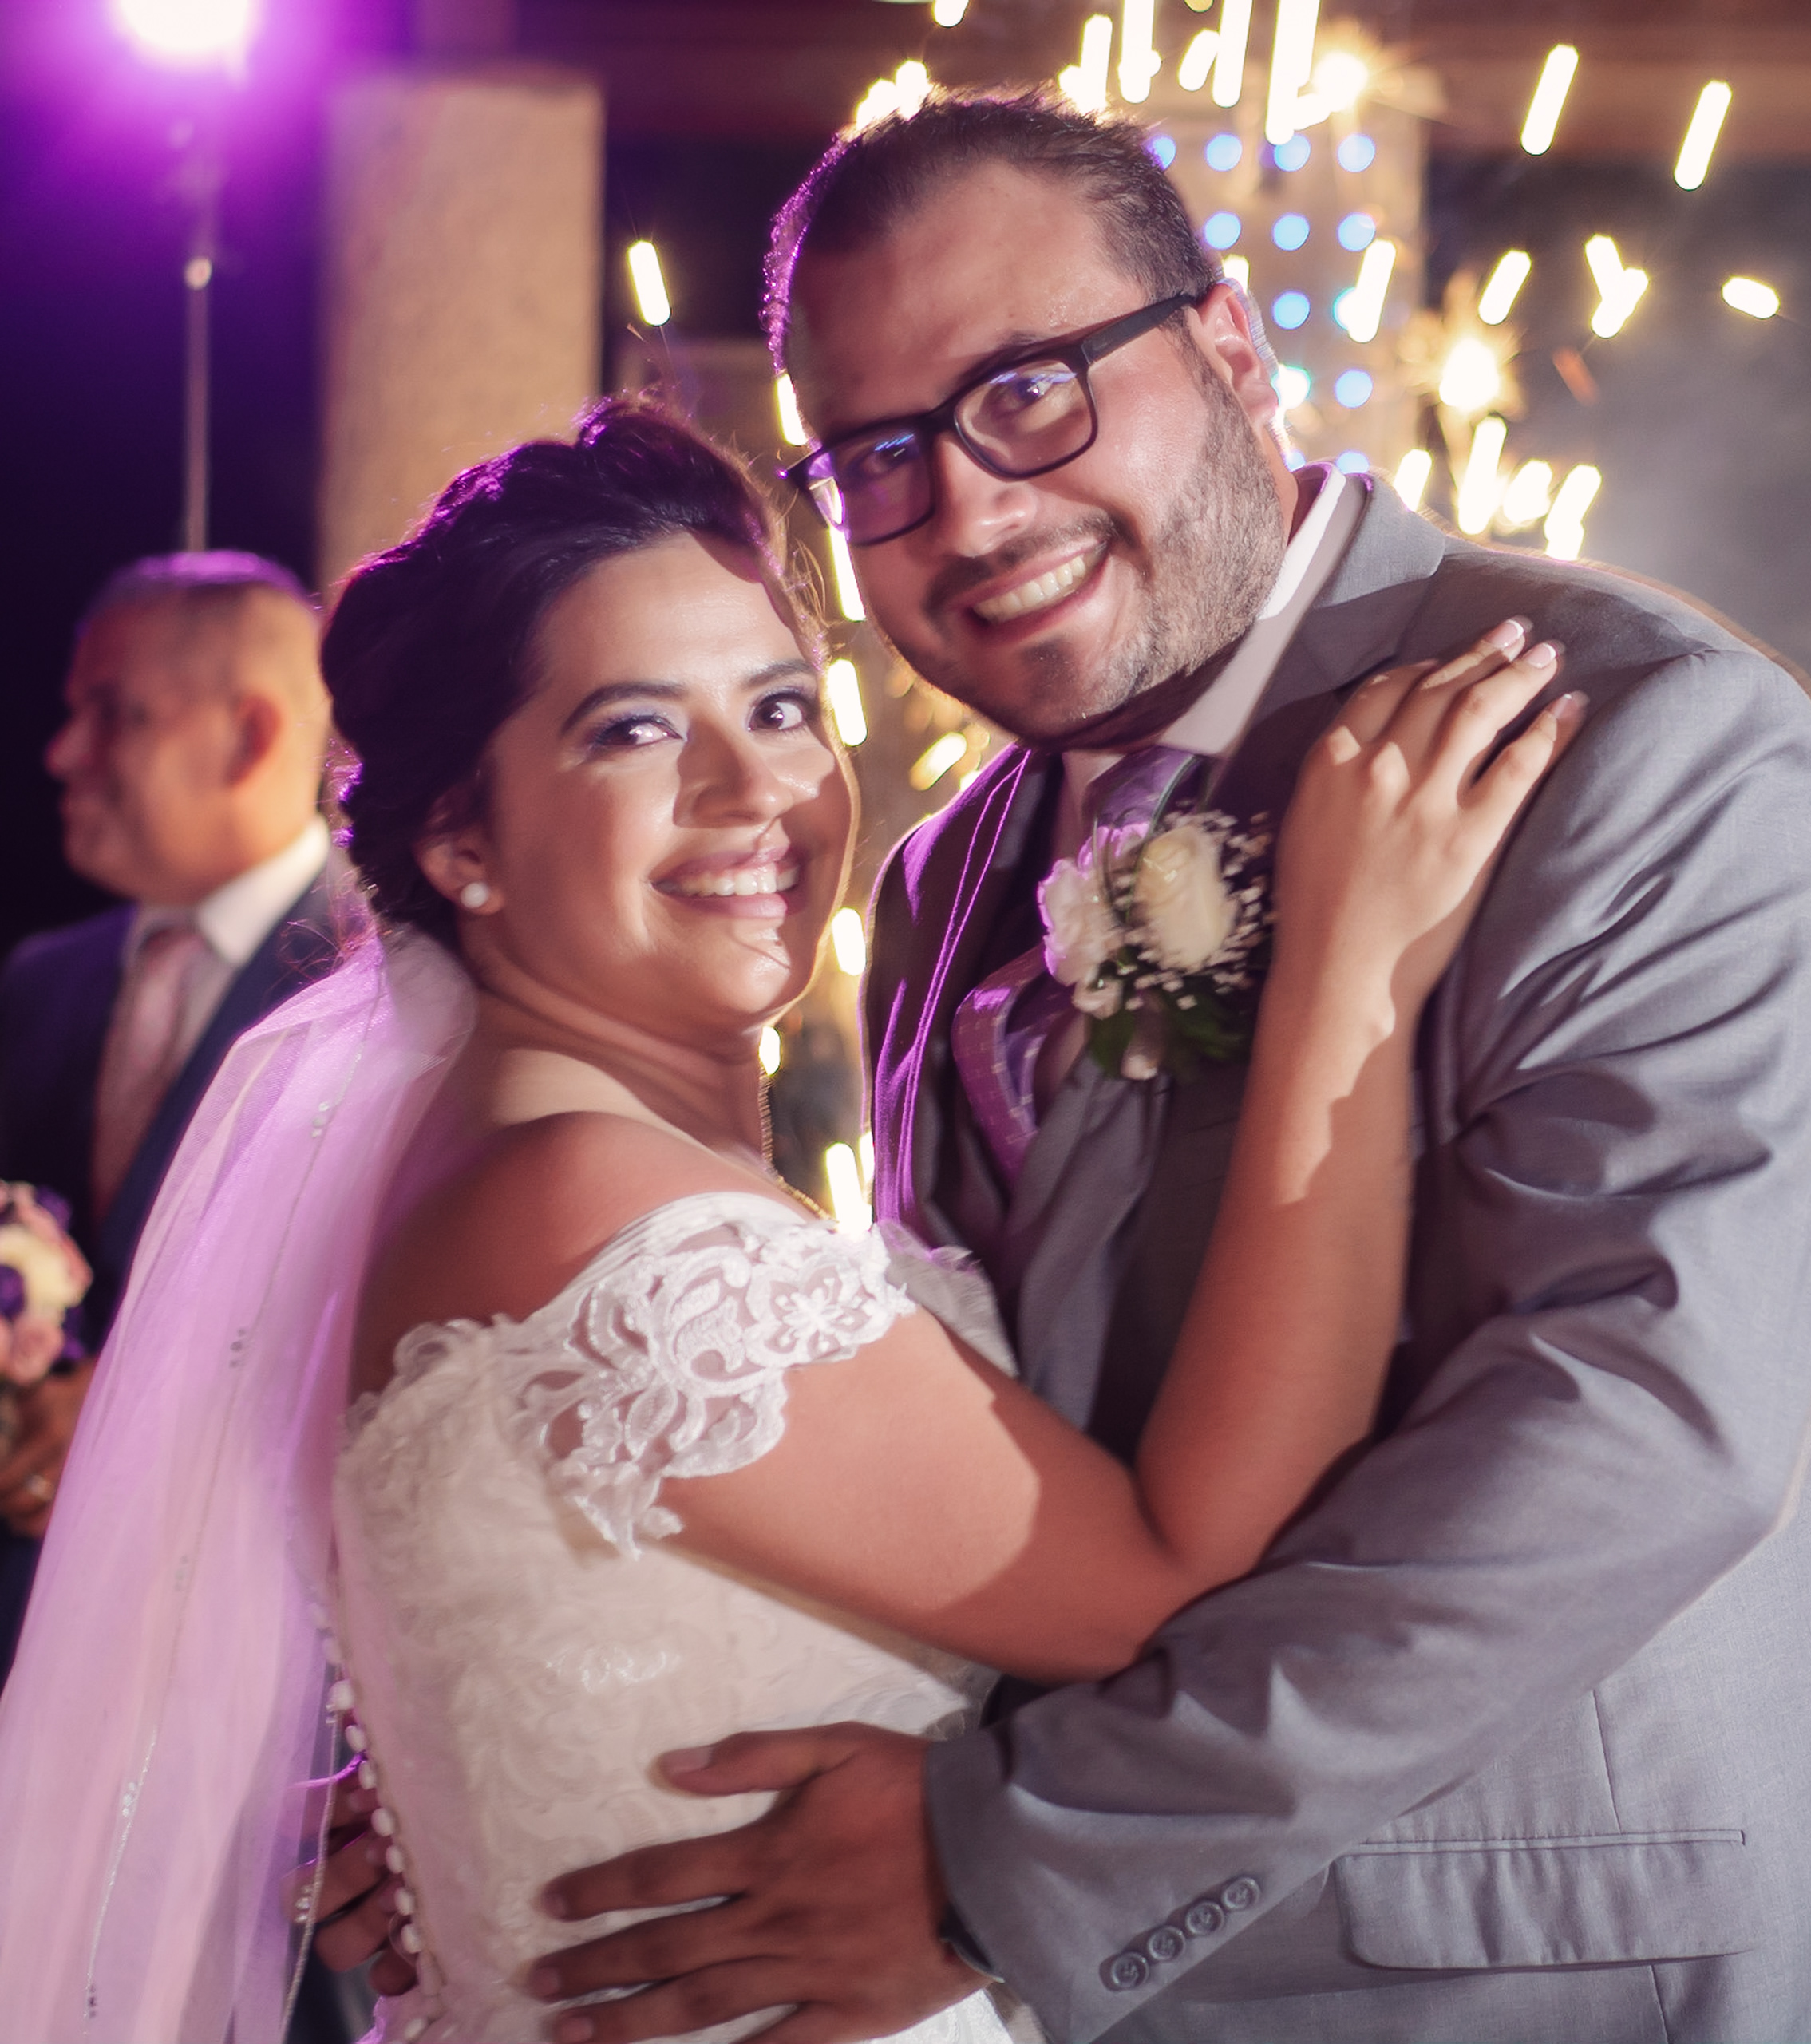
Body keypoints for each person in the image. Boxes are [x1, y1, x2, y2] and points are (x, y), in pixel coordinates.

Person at [339, 88, 1811, 2044]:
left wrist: (1012, 1857)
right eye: (879, 457)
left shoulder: (1623, 734)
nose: (969, 512)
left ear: (1230, 347)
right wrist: (547, 1716)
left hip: (1541, 1972)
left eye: (1027, 392)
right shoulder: (941, 876)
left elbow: (1640, 1422)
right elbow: (974, 1468)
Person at [0, 397, 1574, 2041]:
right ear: (462, 836)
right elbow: (1185, 1587)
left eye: (779, 705)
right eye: (632, 729)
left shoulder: (513, 1164)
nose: (754, 788)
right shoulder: (587, 1203)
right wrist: (1350, 979)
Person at [0, 552, 344, 1688]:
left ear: (249, 735)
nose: (63, 753)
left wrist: (138, 1410)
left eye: (113, 714)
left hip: (244, 1650)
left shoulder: (385, 978)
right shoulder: (40, 982)